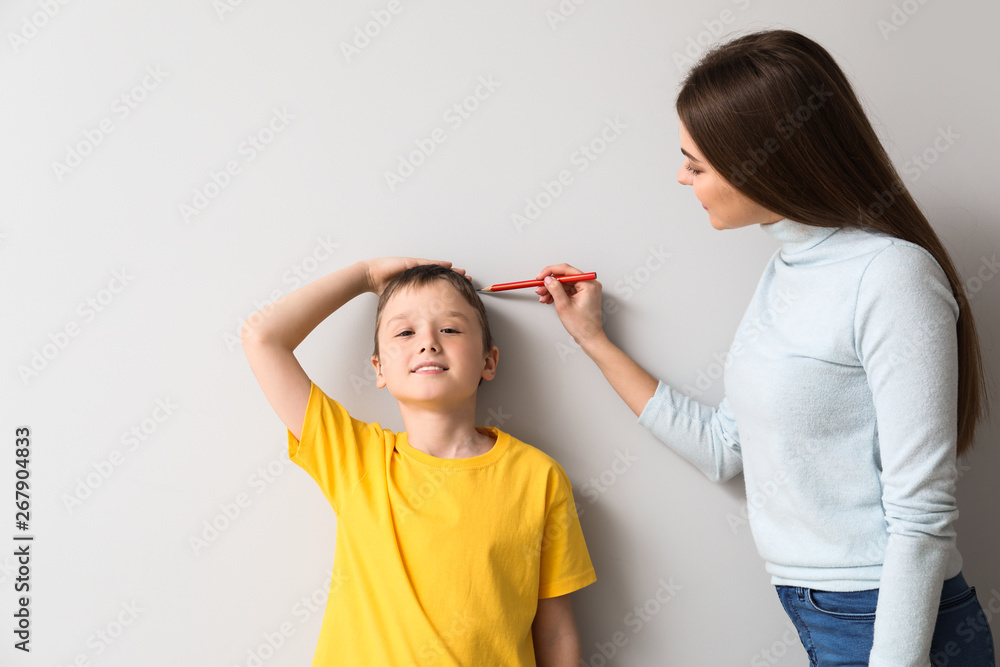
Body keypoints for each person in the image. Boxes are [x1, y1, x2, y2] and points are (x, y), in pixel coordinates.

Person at [534, 29, 994, 667]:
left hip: (891, 623)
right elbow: (726, 449)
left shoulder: (893, 276)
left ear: (765, 161)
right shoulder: (787, 269)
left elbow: (922, 515)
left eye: (696, 164)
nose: (681, 176)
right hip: (818, 609)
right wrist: (592, 340)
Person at [240, 258, 596, 666]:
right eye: (405, 332)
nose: (428, 341)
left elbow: (555, 632)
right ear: (380, 369)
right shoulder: (355, 457)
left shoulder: (538, 477)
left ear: (488, 361)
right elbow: (261, 337)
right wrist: (366, 276)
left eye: (450, 328)